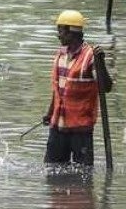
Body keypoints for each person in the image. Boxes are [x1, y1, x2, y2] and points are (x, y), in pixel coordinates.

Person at [43, 10, 113, 167]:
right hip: (58, 126)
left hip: (80, 130)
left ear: (71, 32)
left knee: (84, 175)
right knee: (52, 171)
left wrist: (100, 64)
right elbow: (58, 91)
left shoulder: (90, 57)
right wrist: (49, 113)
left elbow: (106, 87)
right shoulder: (60, 55)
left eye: (60, 31)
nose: (58, 35)